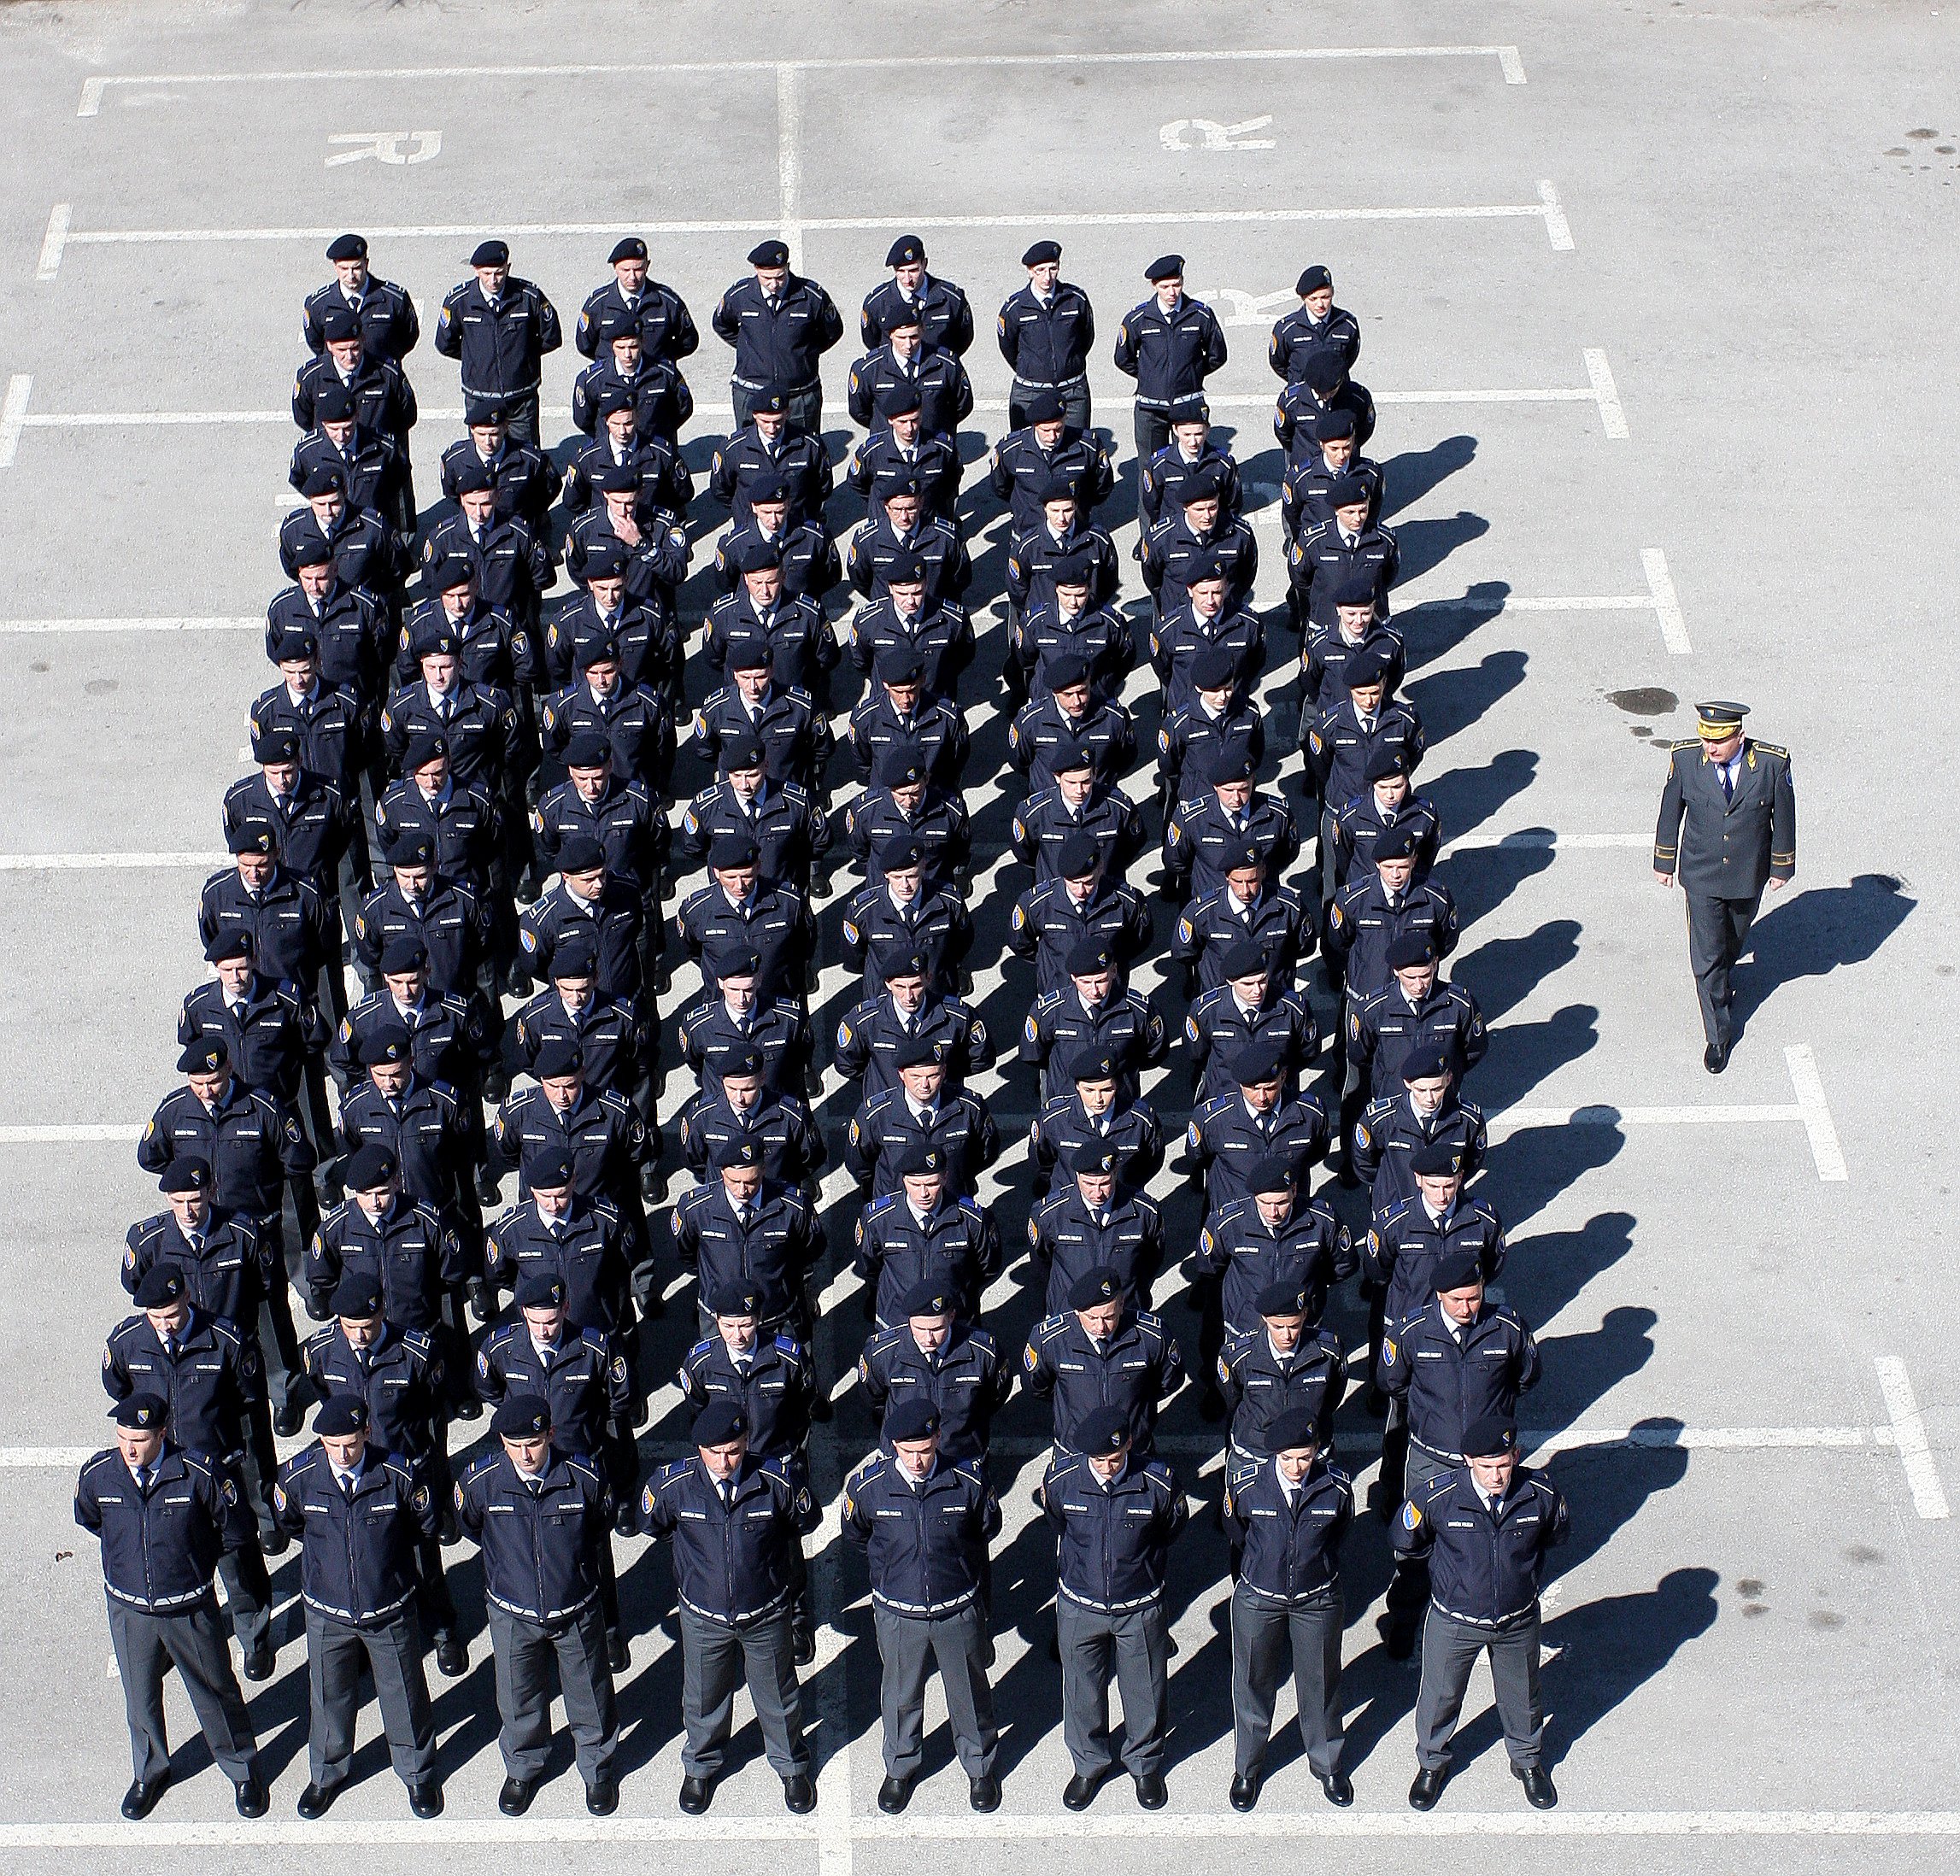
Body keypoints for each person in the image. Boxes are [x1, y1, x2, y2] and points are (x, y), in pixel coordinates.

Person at [74, 1395, 267, 1820]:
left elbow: (234, 1529)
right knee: (139, 1696)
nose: (129, 1449)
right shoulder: (99, 1475)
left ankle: (241, 1768)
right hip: (130, 1609)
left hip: (188, 1607)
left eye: (140, 1439)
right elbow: (90, 1519)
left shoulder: (199, 1473)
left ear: (163, 1434)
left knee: (215, 1691)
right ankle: (150, 1771)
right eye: (123, 1438)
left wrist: (194, 1563)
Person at [637, 1402, 819, 1814]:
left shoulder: (777, 1481)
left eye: (734, 1451)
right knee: (703, 1697)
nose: (724, 1460)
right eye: (715, 1452)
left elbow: (801, 1525)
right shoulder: (673, 1486)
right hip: (703, 1617)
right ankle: (701, 1766)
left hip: (766, 1613)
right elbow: (655, 1526)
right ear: (699, 1449)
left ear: (746, 1443)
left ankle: (791, 1764)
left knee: (777, 1693)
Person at [273, 1395, 443, 1818]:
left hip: (388, 1607)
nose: (343, 1454)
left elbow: (422, 1527)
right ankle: (327, 1773)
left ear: (368, 1433)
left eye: (351, 1443)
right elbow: (292, 1523)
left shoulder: (398, 1475)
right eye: (333, 1445)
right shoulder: (299, 1478)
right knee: (329, 1696)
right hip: (327, 1611)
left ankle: (417, 1773)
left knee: (403, 1693)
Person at [455, 1394, 621, 1815]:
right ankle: (523, 1767)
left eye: (533, 1442)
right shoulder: (481, 1482)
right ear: (501, 1443)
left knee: (589, 1692)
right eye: (515, 1444)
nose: (526, 1454)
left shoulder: (583, 1476)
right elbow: (473, 1527)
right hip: (513, 1611)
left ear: (550, 1433)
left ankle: (597, 1767)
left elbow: (599, 1524)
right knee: (517, 1694)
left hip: (575, 1607)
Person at [1394, 1416, 1569, 1810]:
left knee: (1523, 1694)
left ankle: (1527, 1761)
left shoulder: (1539, 1493)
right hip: (1455, 1620)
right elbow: (1407, 1541)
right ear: (1467, 1460)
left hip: (1517, 1619)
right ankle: (1432, 1764)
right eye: (1486, 1466)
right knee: (1440, 1695)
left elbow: (1555, 1535)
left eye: (1504, 1465)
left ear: (1516, 1456)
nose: (1496, 1476)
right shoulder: (1437, 1497)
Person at [841, 1398, 1002, 1814]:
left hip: (956, 1609)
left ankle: (980, 1766)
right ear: (893, 1445)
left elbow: (987, 1528)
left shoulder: (968, 1481)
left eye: (925, 1450)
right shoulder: (868, 1488)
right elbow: (857, 1535)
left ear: (937, 1440)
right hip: (898, 1612)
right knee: (900, 1693)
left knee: (967, 1691)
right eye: (908, 1451)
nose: (916, 1460)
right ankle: (900, 1767)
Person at [1040, 1404, 1188, 1809]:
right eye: (1100, 1459)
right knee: (1082, 1690)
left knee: (1145, 1688)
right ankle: (1088, 1764)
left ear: (1129, 1448)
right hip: (1080, 1604)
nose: (1107, 1467)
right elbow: (1058, 1525)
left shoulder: (1158, 1483)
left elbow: (1171, 1528)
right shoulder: (1062, 1482)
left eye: (1116, 1458)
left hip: (1138, 1605)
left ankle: (1144, 1762)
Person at [1652, 700, 1796, 1071]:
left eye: (1719, 741)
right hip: (1700, 875)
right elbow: (1670, 812)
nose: (1710, 748)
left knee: (1732, 938)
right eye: (1705, 739)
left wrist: (1781, 867)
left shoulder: (1771, 765)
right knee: (1707, 956)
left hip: (1747, 875)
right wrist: (1664, 861)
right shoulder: (1686, 761)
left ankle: (1724, 974)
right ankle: (1717, 1035)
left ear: (1740, 736)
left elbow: (1784, 818)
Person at [1222, 1406, 1353, 1810]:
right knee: (1252, 1684)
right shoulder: (1245, 1486)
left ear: (1317, 1450)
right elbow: (1236, 1532)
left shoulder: (1337, 1488)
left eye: (1305, 1457)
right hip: (1260, 1597)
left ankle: (1327, 1763)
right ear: (1274, 1454)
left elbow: (1339, 1534)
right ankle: (1247, 1767)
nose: (1297, 1467)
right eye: (1288, 1458)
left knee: (1320, 1683)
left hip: (1316, 1599)